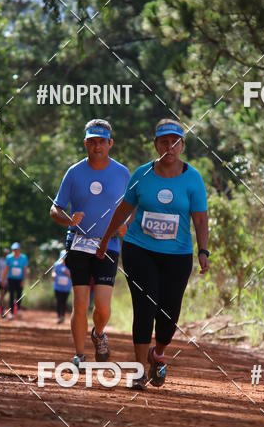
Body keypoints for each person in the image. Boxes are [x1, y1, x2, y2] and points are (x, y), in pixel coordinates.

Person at [97, 119, 209, 390]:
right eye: (164, 142)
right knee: (144, 308)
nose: (169, 147)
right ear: (156, 145)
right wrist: (106, 239)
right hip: (139, 250)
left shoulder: (193, 178)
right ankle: (138, 371)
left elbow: (200, 219)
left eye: (175, 142)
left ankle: (157, 354)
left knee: (169, 315)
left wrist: (203, 250)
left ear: (182, 146)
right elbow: (124, 210)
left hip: (177, 255)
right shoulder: (142, 174)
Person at [50, 119, 130, 367]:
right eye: (92, 142)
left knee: (103, 307)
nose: (97, 146)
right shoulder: (74, 172)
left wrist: (126, 224)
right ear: (85, 143)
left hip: (109, 244)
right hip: (78, 243)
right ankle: (79, 355)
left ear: (110, 143)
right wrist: (68, 219)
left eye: (101, 142)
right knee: (81, 301)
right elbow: (55, 208)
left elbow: (133, 206)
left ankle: (98, 333)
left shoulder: (122, 173)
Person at [2, 242, 29, 318]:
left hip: (20, 279)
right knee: (11, 295)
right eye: (14, 249)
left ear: (19, 249)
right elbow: (6, 269)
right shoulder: (9, 257)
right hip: (11, 279)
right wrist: (3, 279)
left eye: (16, 249)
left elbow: (25, 270)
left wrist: (23, 280)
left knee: (19, 295)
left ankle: (19, 309)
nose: (15, 251)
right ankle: (12, 312)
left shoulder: (24, 258)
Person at [52, 253, 72, 324]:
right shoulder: (57, 264)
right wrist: (53, 275)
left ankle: (62, 316)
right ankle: (59, 316)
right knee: (58, 301)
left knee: (64, 302)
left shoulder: (71, 265)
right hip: (57, 287)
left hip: (66, 288)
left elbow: (72, 276)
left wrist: (67, 273)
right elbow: (53, 272)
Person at [0, 248, 9, 315]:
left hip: (8, 280)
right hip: (0, 280)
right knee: (2, 294)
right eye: (5, 253)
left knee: (2, 295)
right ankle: (2, 311)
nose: (6, 254)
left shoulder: (10, 260)